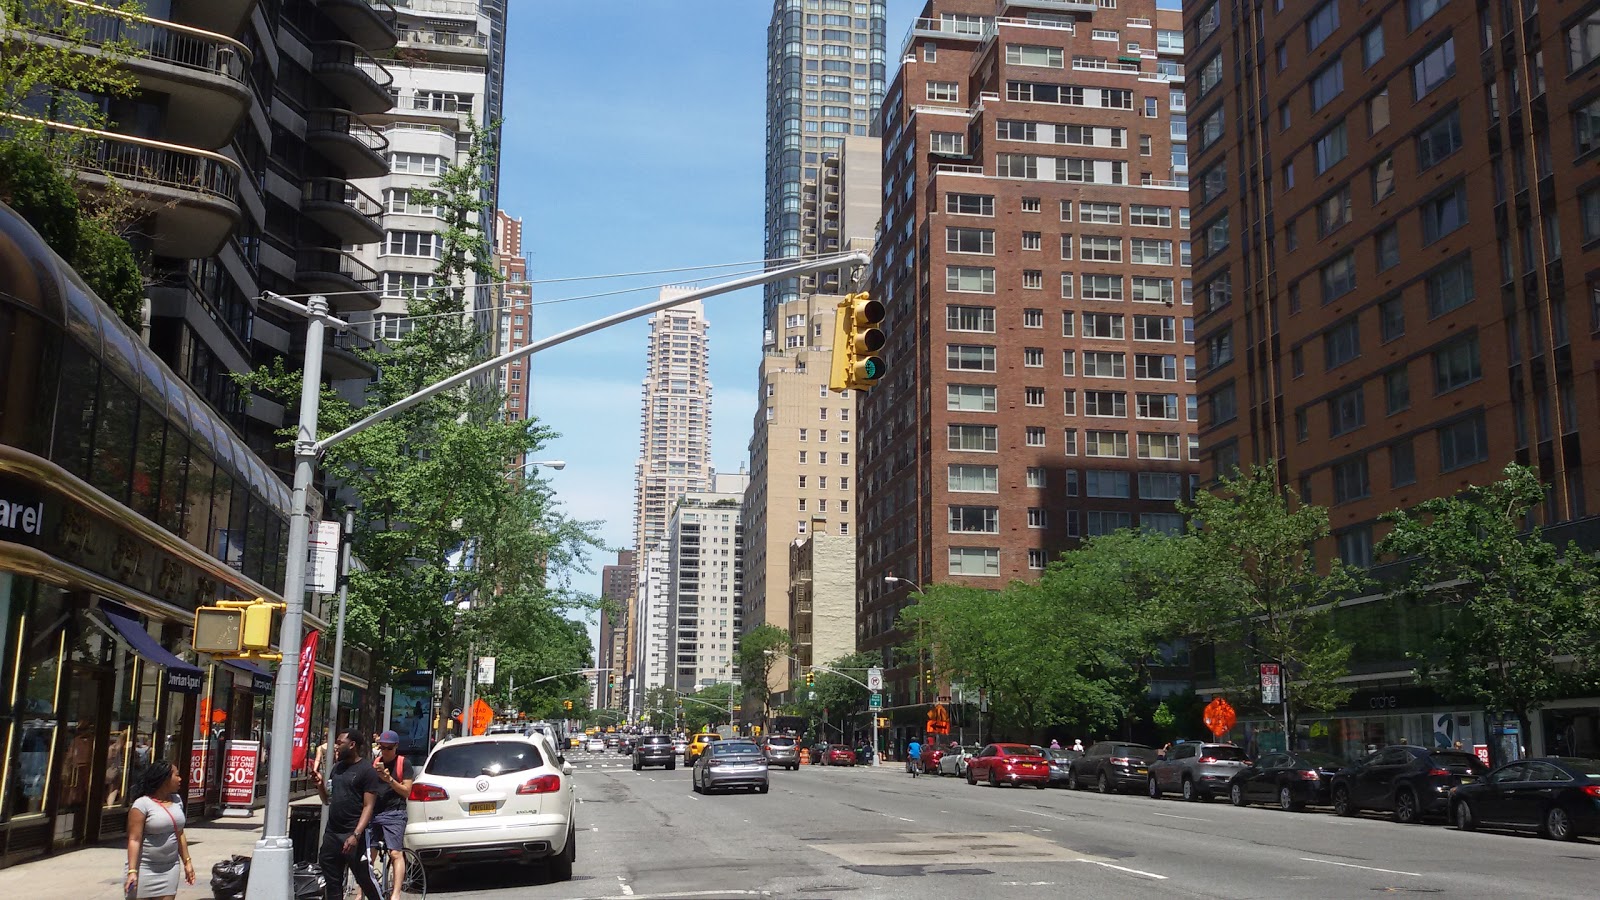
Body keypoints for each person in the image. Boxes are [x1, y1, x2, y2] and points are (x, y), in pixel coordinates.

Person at [312, 729, 384, 900]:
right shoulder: (337, 769)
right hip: (333, 833)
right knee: (332, 882)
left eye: (339, 742)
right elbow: (327, 799)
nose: (335, 746)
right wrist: (320, 785)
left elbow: (368, 806)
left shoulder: (367, 771)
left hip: (353, 834)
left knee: (364, 878)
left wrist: (356, 835)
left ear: (352, 745)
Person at [125, 759, 195, 899]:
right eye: (177, 775)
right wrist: (132, 871)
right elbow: (134, 839)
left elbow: (179, 833)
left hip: (170, 868)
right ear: (164, 779)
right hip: (144, 868)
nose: (180, 779)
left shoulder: (177, 800)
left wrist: (187, 861)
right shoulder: (142, 804)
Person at [368, 731, 414, 900]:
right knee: (368, 855)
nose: (385, 751)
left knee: (395, 853)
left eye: (388, 748)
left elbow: (407, 791)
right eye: (382, 747)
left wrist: (390, 780)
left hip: (395, 812)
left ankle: (395, 895)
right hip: (375, 812)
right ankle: (362, 892)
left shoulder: (404, 764)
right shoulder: (375, 763)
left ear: (396, 747)